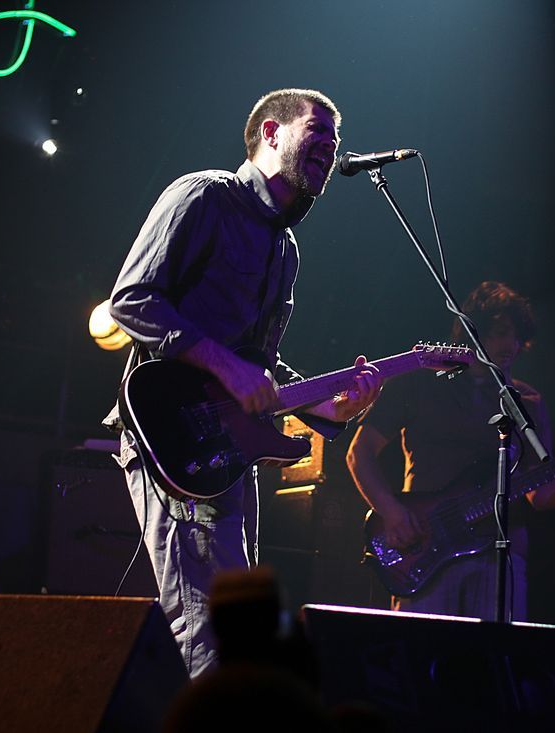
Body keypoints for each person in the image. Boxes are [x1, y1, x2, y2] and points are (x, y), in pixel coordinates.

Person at [104, 88, 382, 677]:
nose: (332, 147)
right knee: (206, 624)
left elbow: (260, 366)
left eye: (336, 139)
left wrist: (328, 409)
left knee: (238, 625)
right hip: (172, 437)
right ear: (271, 132)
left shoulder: (285, 248)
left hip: (227, 447)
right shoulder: (204, 195)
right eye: (318, 131)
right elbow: (131, 300)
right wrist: (223, 365)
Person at [346, 281, 555, 620]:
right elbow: (360, 453)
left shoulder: (527, 402)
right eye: (501, 333)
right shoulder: (419, 381)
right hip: (425, 545)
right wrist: (391, 511)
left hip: (499, 554)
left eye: (517, 337)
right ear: (474, 332)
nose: (511, 345)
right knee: (422, 649)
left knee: (494, 653)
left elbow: (540, 492)